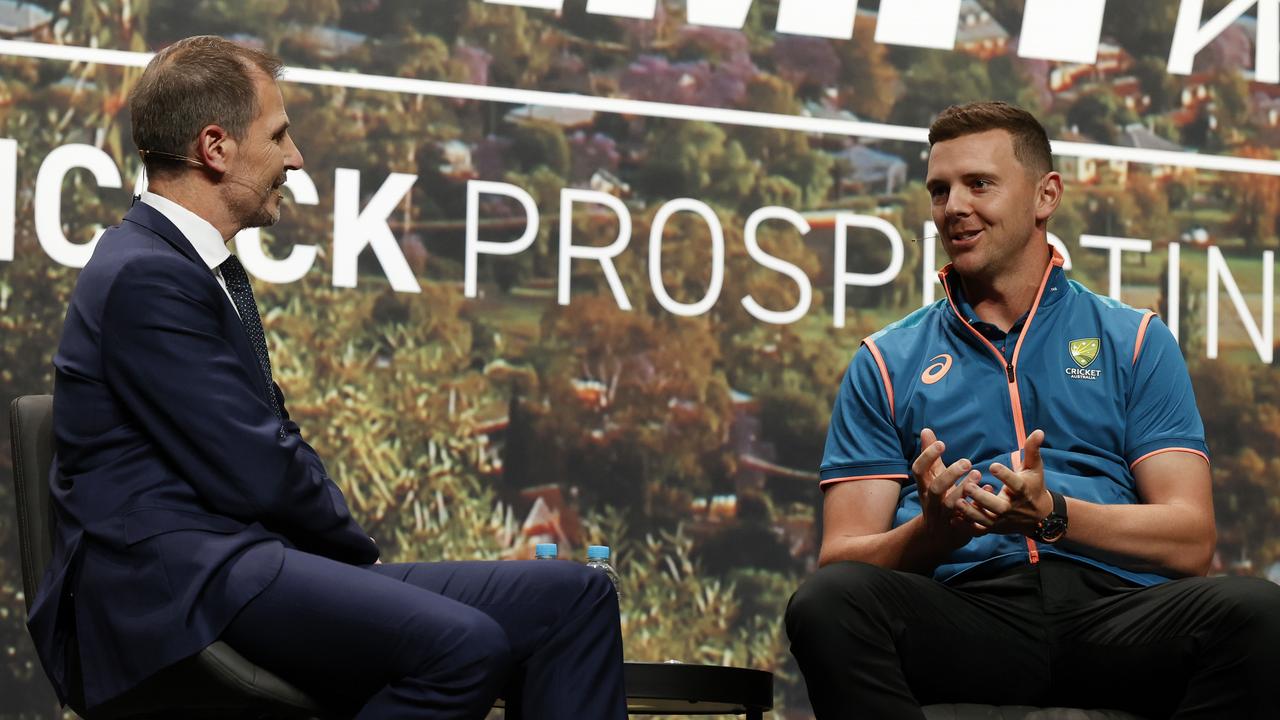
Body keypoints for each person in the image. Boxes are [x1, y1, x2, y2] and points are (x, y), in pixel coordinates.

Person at [28, 35, 627, 720]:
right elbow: (255, 466)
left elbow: (265, 443)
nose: (295, 157)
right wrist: (357, 556)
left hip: (241, 565)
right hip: (178, 591)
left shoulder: (189, 265)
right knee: (461, 646)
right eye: (279, 135)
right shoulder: (145, 274)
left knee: (575, 598)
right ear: (215, 147)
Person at [785, 101, 1280, 718]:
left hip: (1115, 611)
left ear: (1046, 196)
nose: (953, 207)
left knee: (1262, 614)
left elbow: (1189, 538)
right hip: (968, 609)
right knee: (826, 604)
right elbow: (844, 556)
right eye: (940, 190)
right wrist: (929, 535)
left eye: (979, 184)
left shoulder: (1134, 339)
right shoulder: (885, 360)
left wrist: (1052, 515)